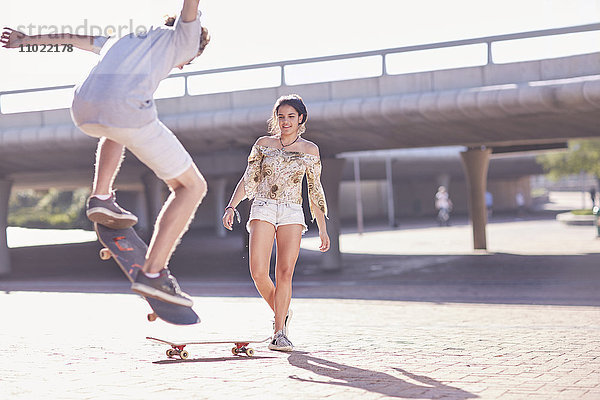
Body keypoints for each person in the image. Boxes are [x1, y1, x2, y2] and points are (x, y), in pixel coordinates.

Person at [1, 0, 210, 307]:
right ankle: (153, 274)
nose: (180, 65)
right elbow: (189, 8)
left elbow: (71, 38)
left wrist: (26, 40)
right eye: (187, 62)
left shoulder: (128, 36)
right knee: (192, 187)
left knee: (114, 131)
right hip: (126, 110)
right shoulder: (184, 38)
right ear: (193, 47)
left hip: (83, 103)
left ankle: (101, 197)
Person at [222, 94, 330, 352]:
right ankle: (282, 312)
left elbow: (315, 191)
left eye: (291, 116)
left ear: (301, 119)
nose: (285, 121)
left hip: (293, 211)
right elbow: (249, 179)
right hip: (263, 207)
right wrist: (231, 205)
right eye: (281, 116)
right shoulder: (263, 144)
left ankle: (279, 332)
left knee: (285, 273)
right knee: (258, 271)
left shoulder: (310, 150)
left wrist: (323, 228)